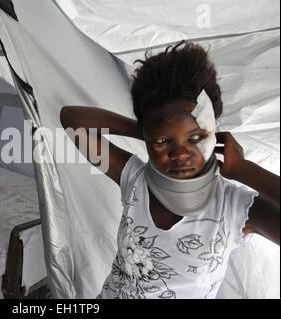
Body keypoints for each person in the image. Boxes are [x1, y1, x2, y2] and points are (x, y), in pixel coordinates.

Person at [60, 41, 279, 299]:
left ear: (214, 131)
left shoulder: (235, 208)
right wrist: (148, 130)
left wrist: (243, 169)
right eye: (164, 142)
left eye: (196, 137)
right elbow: (73, 121)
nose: (180, 154)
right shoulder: (135, 181)